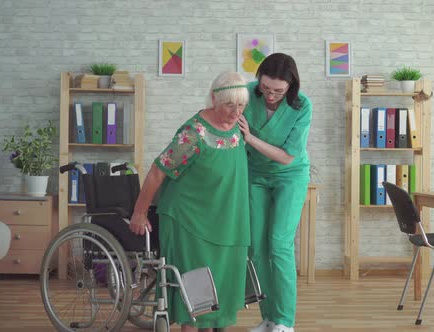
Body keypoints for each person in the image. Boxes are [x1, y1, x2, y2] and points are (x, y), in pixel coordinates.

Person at [129, 71, 250, 332]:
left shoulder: (240, 128)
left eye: (241, 105)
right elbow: (157, 171)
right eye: (230, 105)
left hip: (226, 217)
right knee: (197, 287)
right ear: (214, 98)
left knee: (222, 283)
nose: (236, 111)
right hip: (190, 219)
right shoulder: (193, 134)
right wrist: (139, 212)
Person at [237, 53, 312, 332]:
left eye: (278, 91)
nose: (270, 95)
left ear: (291, 86)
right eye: (265, 88)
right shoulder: (246, 93)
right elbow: (220, 106)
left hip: (289, 177)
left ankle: (285, 322)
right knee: (256, 248)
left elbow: (286, 158)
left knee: (279, 245)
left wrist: (251, 138)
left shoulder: (302, 106)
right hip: (256, 175)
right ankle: (268, 318)